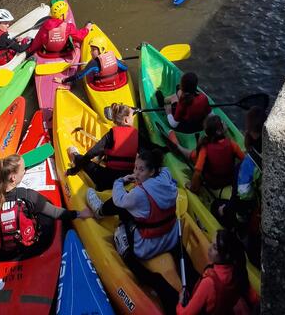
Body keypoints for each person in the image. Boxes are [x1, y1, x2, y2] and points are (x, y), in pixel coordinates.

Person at [86, 147, 180, 315]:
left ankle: (99, 210)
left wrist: (120, 181)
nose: (136, 173)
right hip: (171, 237)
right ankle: (101, 210)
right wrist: (142, 177)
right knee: (135, 206)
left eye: (141, 169)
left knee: (120, 235)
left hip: (148, 246)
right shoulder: (164, 175)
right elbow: (163, 170)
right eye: (135, 168)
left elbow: (119, 199)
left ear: (152, 172)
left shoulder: (139, 194)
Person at [0, 154, 90, 255]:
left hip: (1, 253)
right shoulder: (28, 195)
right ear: (13, 178)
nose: (25, 171)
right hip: (28, 248)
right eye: (23, 169)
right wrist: (79, 214)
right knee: (46, 214)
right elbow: (56, 213)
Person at [176, 229, 259, 315]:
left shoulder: (209, 283)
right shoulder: (239, 272)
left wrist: (180, 302)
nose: (209, 248)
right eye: (211, 243)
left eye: (215, 247)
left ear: (226, 256)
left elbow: (184, 314)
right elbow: (254, 299)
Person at [67, 103, 139, 186]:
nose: (133, 118)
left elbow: (91, 153)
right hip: (129, 178)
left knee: (82, 159)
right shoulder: (137, 134)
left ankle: (75, 154)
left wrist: (74, 170)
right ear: (126, 120)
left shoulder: (111, 134)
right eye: (132, 116)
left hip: (108, 180)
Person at [181, 115, 245, 194]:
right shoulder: (232, 144)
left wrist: (193, 187)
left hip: (213, 183)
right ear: (221, 130)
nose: (224, 124)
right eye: (223, 123)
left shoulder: (205, 148)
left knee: (194, 156)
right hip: (230, 179)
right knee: (195, 155)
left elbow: (197, 172)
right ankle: (187, 153)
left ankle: (182, 150)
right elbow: (245, 160)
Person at [26, 0, 90, 59]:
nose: (67, 13)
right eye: (66, 12)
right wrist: (87, 28)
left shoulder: (44, 26)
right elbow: (80, 36)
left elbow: (37, 42)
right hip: (63, 53)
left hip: (46, 54)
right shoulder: (68, 26)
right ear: (62, 15)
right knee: (72, 39)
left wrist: (29, 51)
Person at [62, 36, 128, 91]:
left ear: (101, 49)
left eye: (93, 50)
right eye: (91, 49)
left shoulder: (93, 63)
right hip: (115, 83)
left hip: (100, 86)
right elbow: (125, 68)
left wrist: (64, 80)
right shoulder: (112, 57)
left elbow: (79, 75)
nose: (91, 52)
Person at [160, 70, 211, 134]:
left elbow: (173, 124)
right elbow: (211, 114)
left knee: (174, 98)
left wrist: (169, 113)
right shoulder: (204, 97)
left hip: (186, 129)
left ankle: (163, 101)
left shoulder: (183, 103)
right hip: (199, 126)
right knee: (176, 96)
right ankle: (164, 100)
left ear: (182, 87)